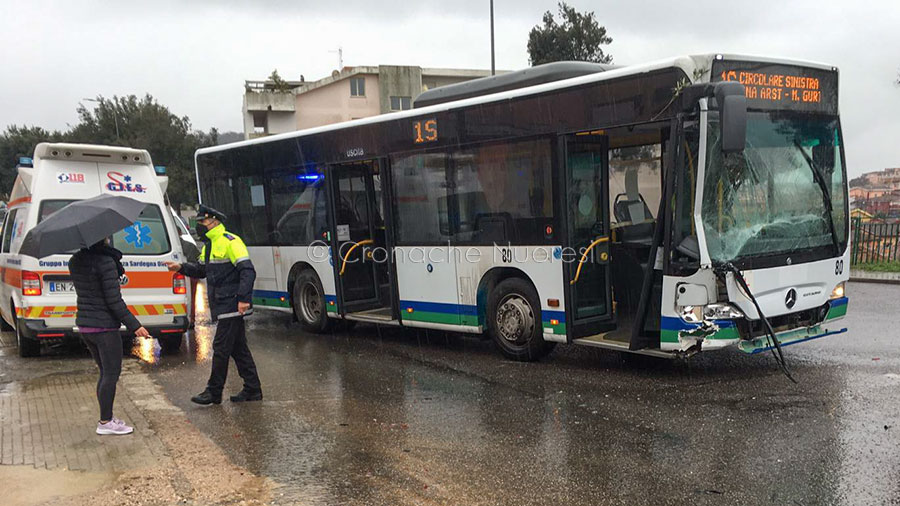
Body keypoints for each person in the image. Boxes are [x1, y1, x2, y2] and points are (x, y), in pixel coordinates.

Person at [165, 205, 262, 404]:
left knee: (220, 347)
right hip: (223, 304)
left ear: (214, 222)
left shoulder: (231, 241)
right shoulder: (209, 245)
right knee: (238, 348)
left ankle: (214, 392)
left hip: (233, 304)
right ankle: (253, 389)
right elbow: (202, 270)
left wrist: (243, 299)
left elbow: (247, 271)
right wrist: (181, 267)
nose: (199, 225)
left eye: (202, 222)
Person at [69, 237, 151, 435]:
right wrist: (135, 325)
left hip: (86, 326)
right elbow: (114, 301)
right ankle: (105, 422)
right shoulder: (105, 262)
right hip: (104, 328)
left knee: (105, 373)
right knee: (111, 374)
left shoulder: (76, 260)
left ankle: (106, 419)